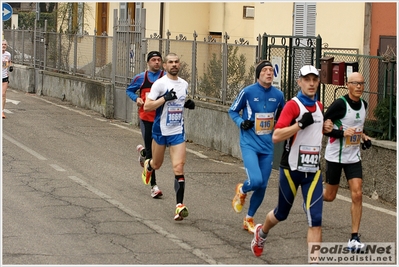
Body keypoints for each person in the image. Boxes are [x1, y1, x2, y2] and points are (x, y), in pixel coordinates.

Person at [251, 65, 333, 258]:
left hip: (312, 171)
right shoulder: (292, 105)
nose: (311, 83)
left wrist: (325, 128)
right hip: (291, 169)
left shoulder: (320, 106)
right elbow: (276, 135)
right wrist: (299, 125)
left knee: (316, 219)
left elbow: (314, 133)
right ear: (299, 82)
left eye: (315, 79)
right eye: (307, 80)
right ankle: (261, 233)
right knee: (281, 213)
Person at [229, 60, 285, 234]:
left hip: (267, 146)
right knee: (256, 181)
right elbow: (232, 110)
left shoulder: (279, 95)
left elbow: (284, 116)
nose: (269, 73)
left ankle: (249, 219)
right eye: (265, 70)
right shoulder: (247, 92)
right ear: (259, 74)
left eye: (271, 71)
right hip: (249, 143)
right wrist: (241, 122)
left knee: (262, 186)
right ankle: (242, 189)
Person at [142, 52, 195, 221]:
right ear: (164, 66)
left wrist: (187, 103)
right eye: (170, 62)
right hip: (160, 131)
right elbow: (148, 107)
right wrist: (164, 99)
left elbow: (179, 101)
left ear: (180, 65)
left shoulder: (184, 84)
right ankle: (148, 165)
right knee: (157, 164)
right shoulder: (159, 84)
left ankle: (179, 206)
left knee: (178, 167)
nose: (174, 64)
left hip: (177, 132)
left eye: (176, 62)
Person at [323, 72, 371, 250]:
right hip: (335, 156)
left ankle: (354, 238)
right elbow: (324, 129)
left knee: (357, 194)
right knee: (330, 196)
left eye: (361, 83)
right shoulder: (339, 104)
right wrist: (342, 133)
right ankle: (312, 198)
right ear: (347, 84)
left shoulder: (364, 105)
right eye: (355, 83)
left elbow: (358, 129)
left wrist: (364, 137)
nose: (359, 86)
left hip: (353, 157)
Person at [126, 51, 165, 198]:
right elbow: (129, 90)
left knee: (159, 152)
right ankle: (153, 186)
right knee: (151, 152)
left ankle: (143, 154)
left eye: (159, 60)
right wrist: (136, 98)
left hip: (161, 120)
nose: (156, 62)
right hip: (146, 118)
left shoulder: (165, 78)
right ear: (148, 62)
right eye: (154, 60)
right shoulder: (141, 78)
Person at [2, 39, 13, 119]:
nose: (3, 46)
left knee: (3, 94)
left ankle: (1, 111)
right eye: (2, 44)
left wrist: (10, 66)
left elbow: (8, 62)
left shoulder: (8, 54)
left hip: (4, 77)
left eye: (5, 44)